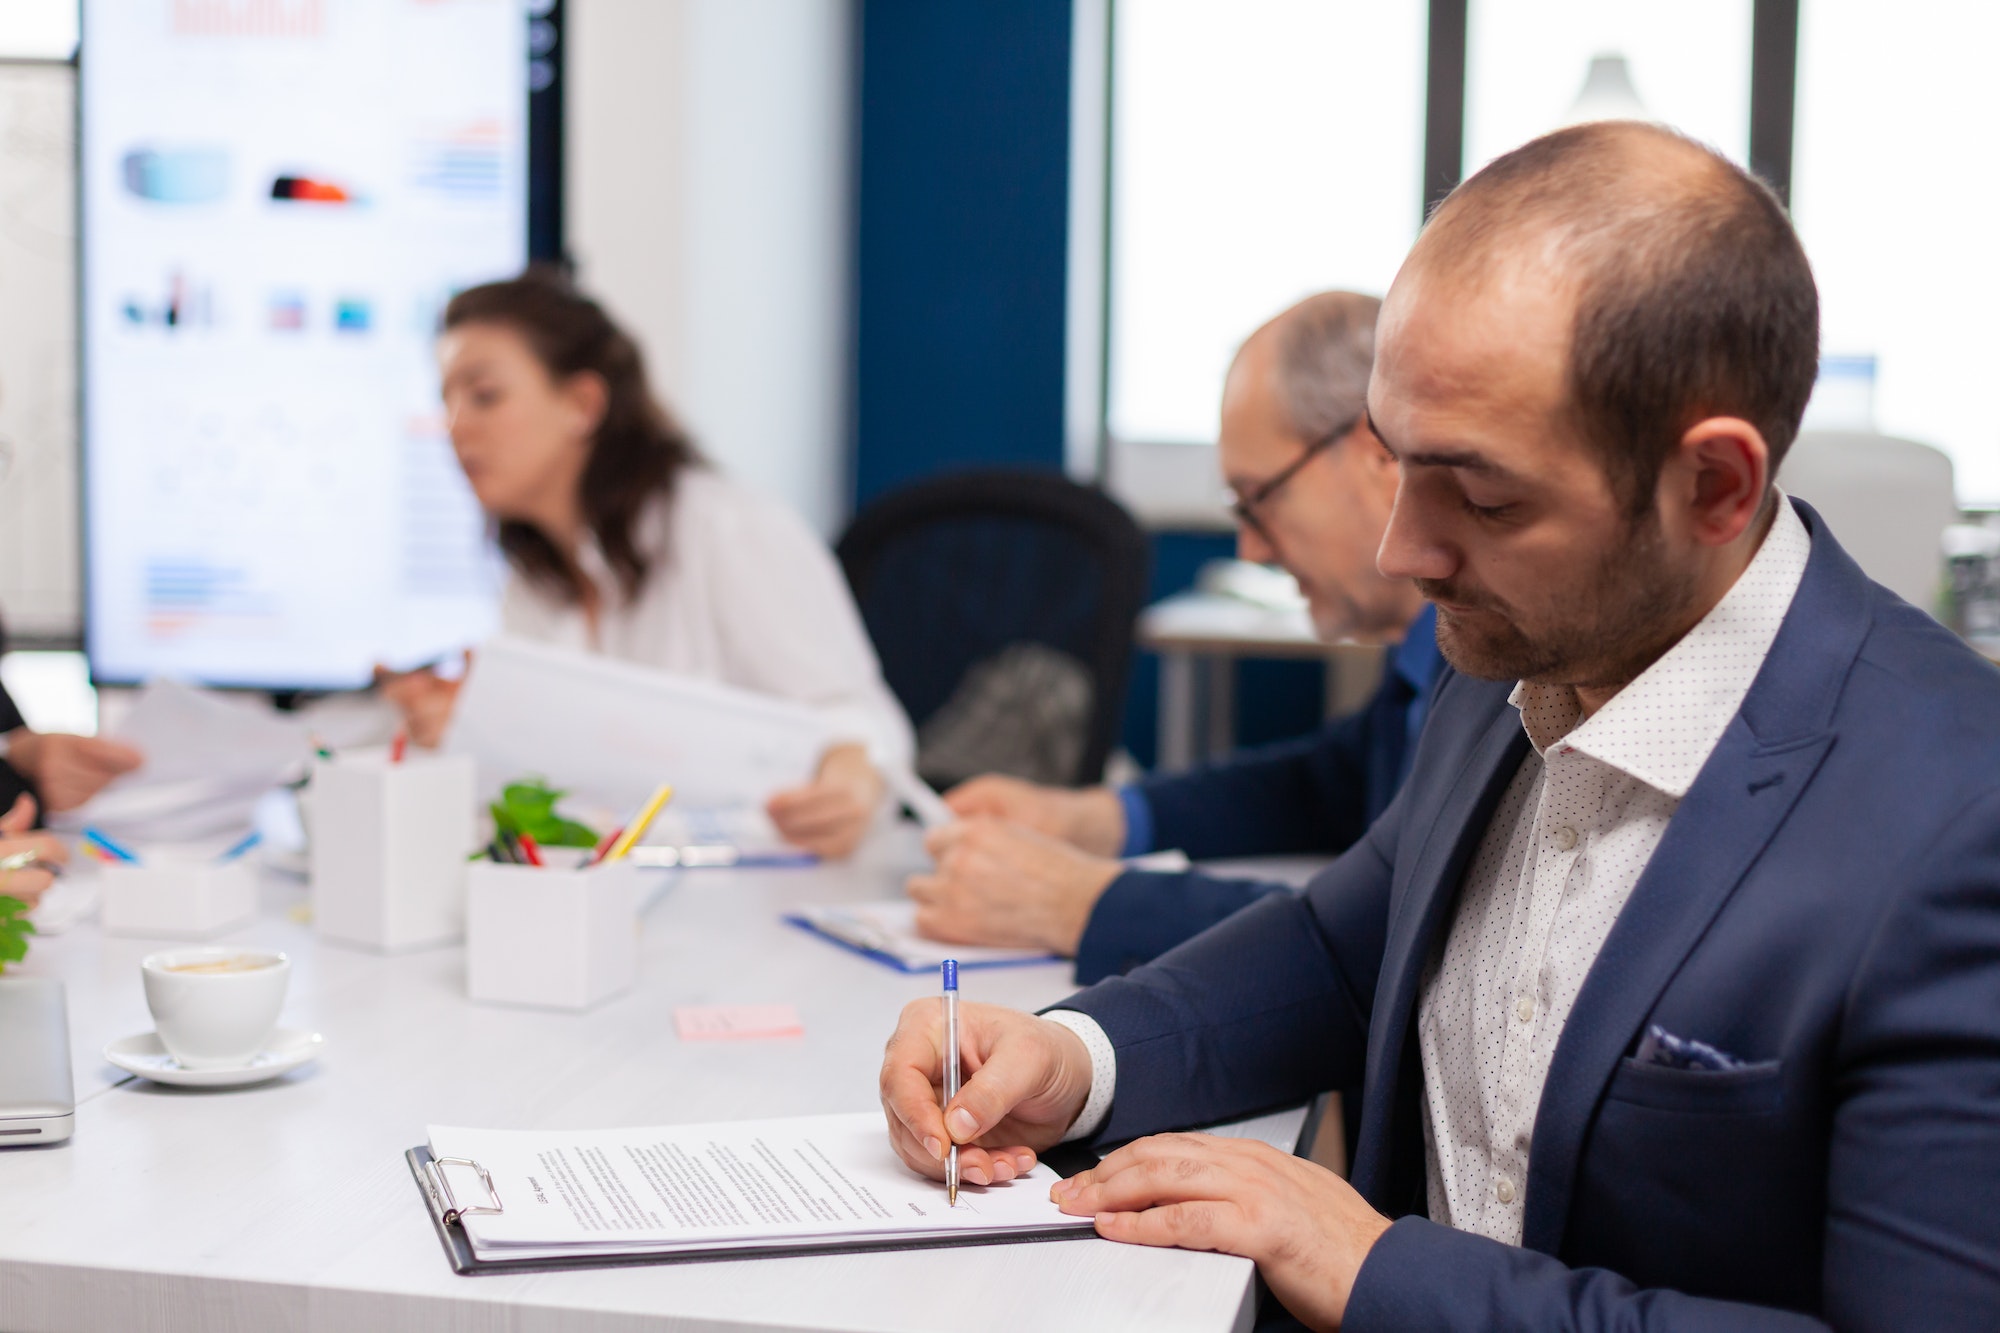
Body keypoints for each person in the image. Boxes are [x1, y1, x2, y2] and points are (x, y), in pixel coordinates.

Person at [877, 121, 2000, 1330]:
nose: (1402, 550)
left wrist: (1371, 1266)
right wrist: (1077, 1057)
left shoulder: (1955, 821)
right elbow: (1341, 949)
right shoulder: (1517, 639)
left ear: (1712, 486)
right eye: (1395, 461)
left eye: (1478, 493)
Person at [909, 292, 1440, 983]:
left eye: (1260, 497)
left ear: (1376, 451)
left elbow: (1396, 933)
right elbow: (1326, 783)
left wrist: (1079, 901)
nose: (1250, 549)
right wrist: (1097, 819)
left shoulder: (1504, 672)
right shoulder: (1424, 662)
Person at [378, 270, 913, 860]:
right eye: (445, 401)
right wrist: (472, 725)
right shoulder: (534, 573)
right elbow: (576, 767)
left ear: (581, 404)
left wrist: (853, 773)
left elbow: (862, 718)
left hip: (760, 891)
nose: (455, 429)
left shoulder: (724, 527)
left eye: (484, 396)